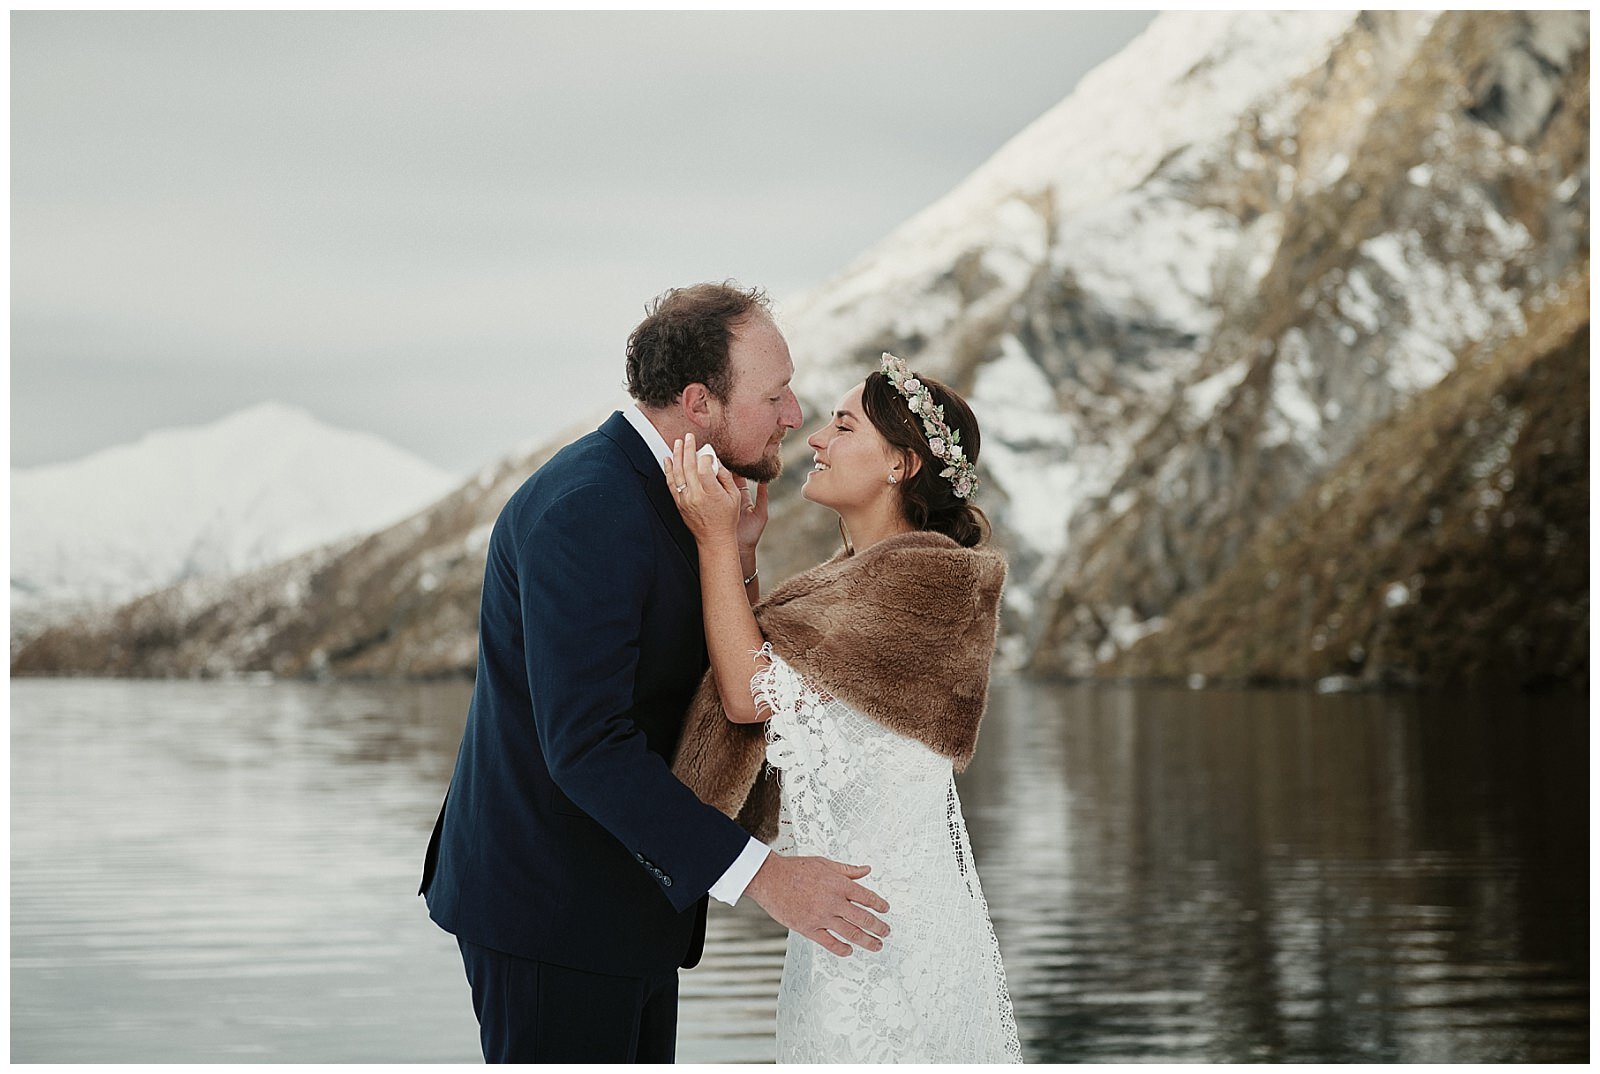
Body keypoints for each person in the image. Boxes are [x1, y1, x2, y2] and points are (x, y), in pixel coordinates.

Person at [419, 283, 891, 1063]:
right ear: (699, 402)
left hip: (624, 906)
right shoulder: (590, 508)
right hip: (551, 914)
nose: (792, 414)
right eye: (773, 395)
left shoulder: (682, 495)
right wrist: (766, 878)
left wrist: (738, 557)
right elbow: (588, 746)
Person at [666, 352, 1023, 1062]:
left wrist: (710, 541)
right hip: (841, 914)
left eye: (842, 425)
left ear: (901, 464)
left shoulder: (930, 579)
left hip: (883, 927)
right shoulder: (858, 579)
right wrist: (741, 556)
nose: (816, 441)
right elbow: (797, 673)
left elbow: (749, 695)